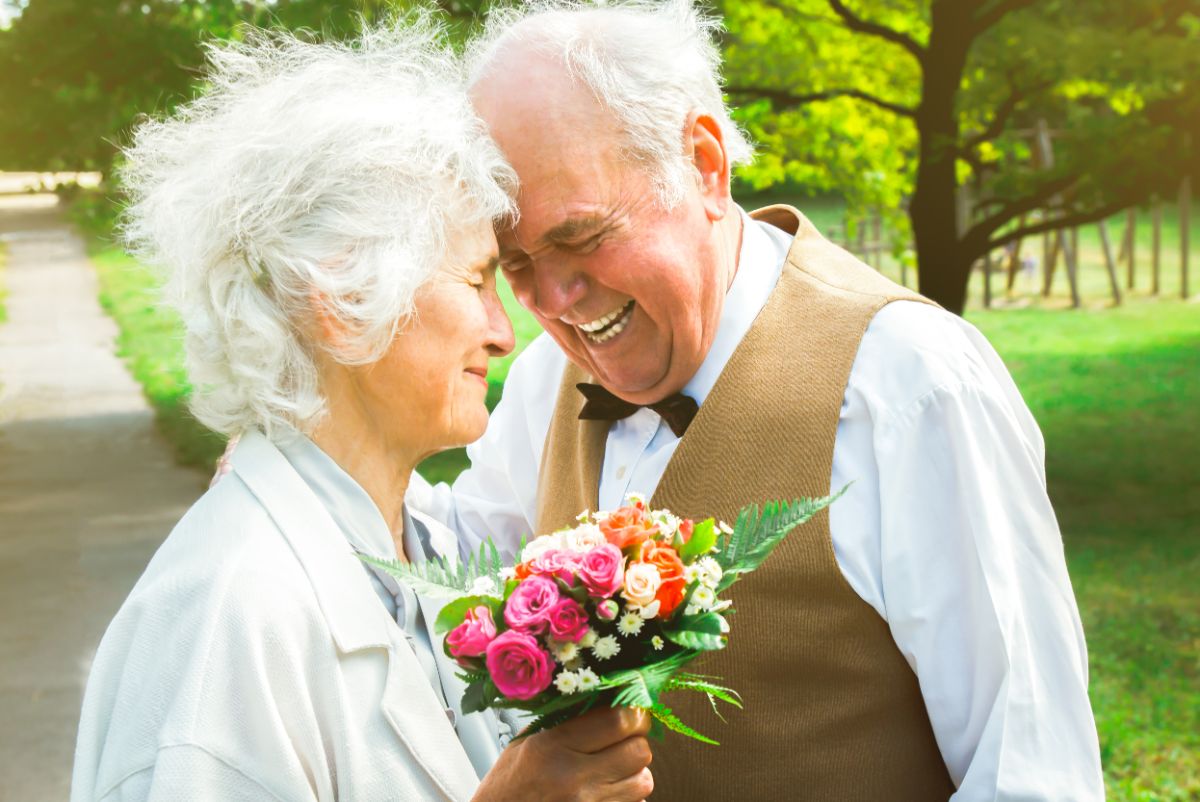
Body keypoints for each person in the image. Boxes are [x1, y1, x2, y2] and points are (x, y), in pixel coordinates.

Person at [409, 0, 1105, 799]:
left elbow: (1027, 770)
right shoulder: (543, 384)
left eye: (583, 236)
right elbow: (446, 568)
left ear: (703, 165)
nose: (556, 298)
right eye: (517, 263)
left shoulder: (910, 387)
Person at [71, 25, 654, 802]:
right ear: (344, 302)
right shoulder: (222, 628)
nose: (502, 331)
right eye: (478, 279)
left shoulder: (414, 545)